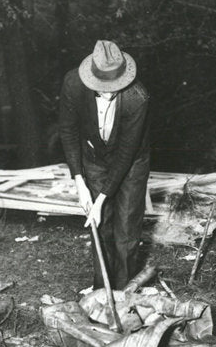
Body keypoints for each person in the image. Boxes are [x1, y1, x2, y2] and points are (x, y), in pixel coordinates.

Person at [59, 39, 150, 290]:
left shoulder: (137, 97)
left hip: (131, 162)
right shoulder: (73, 84)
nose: (109, 94)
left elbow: (125, 154)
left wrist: (100, 199)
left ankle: (124, 292)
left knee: (126, 230)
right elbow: (68, 131)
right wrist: (80, 182)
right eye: (103, 88)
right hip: (94, 156)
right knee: (99, 226)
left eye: (115, 88)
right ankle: (102, 290)